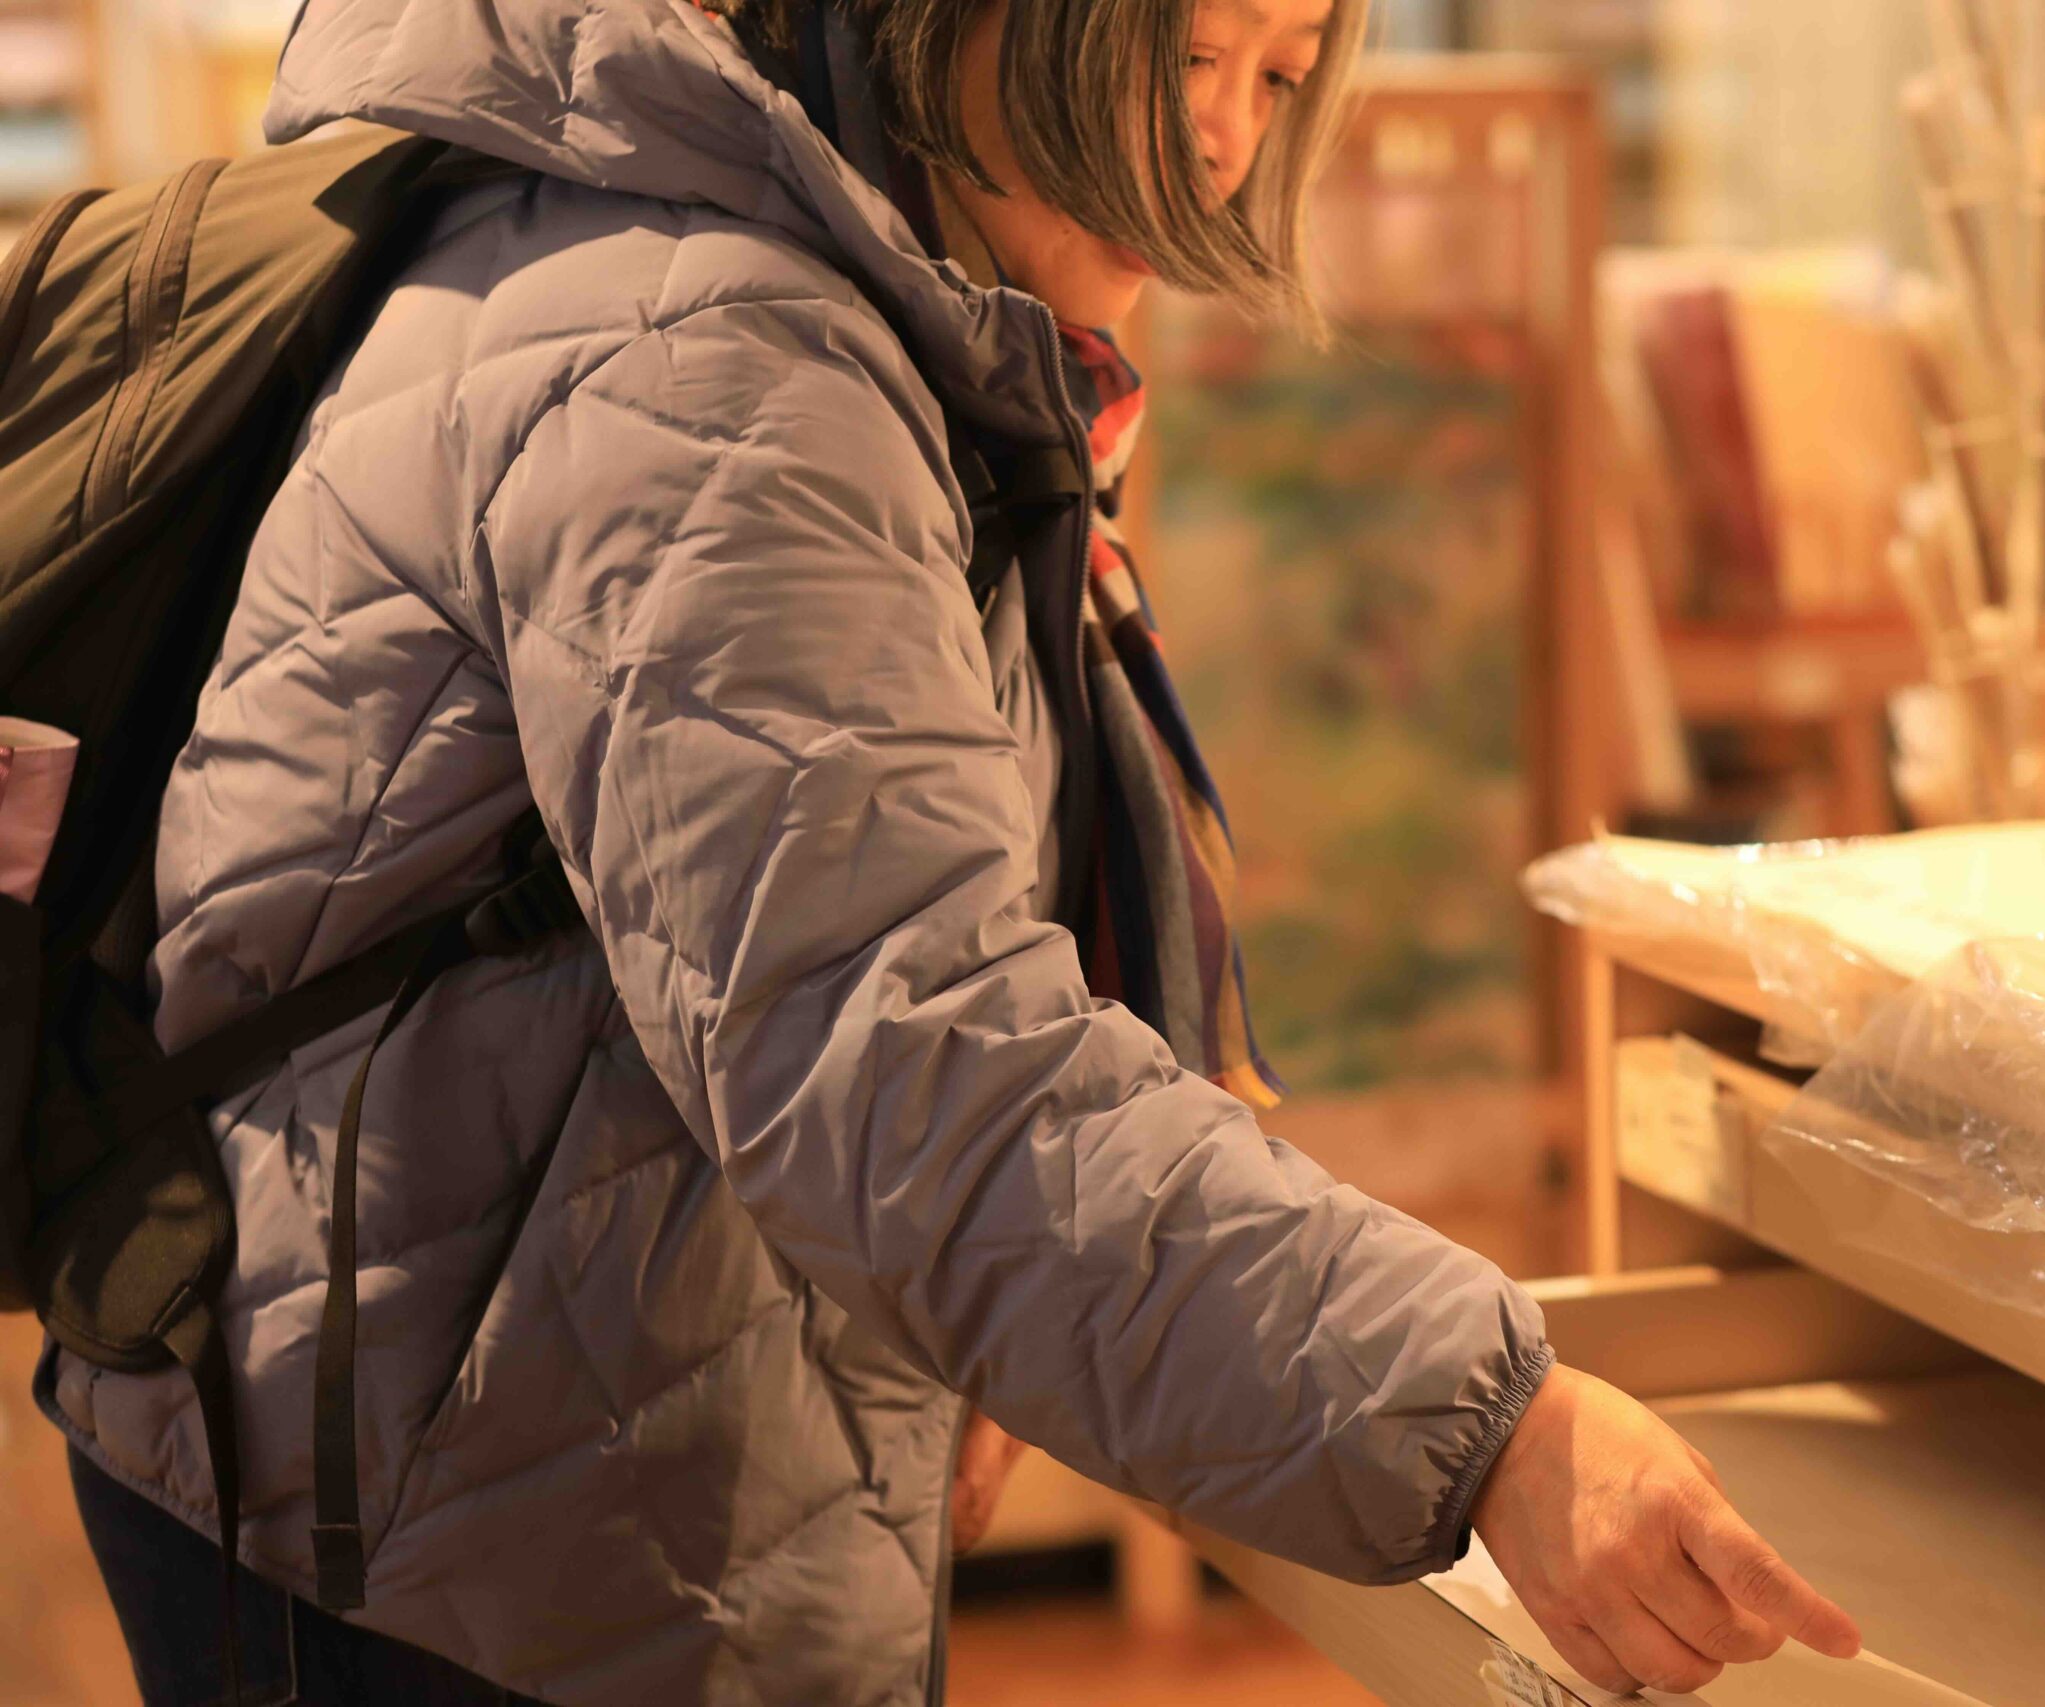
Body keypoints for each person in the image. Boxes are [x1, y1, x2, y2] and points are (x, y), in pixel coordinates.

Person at [47, 0, 1862, 1701]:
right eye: (1186, 51)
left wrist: (970, 1326)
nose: (1225, 139)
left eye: (1283, 72)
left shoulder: (799, 292)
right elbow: (914, 1072)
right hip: (445, 1528)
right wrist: (1497, 1428)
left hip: (478, 1430)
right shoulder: (710, 370)